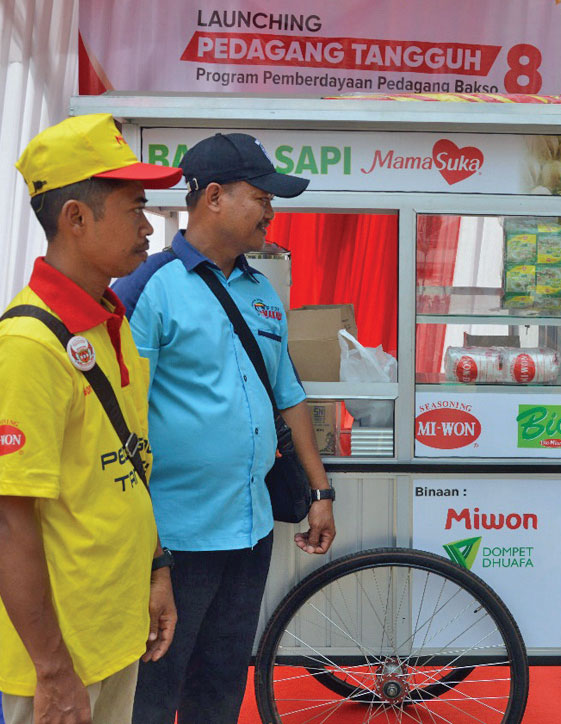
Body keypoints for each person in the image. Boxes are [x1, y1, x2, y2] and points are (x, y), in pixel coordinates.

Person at [113, 132, 336, 724]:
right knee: (152, 691)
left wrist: (320, 489)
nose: (271, 212)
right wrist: (149, 550)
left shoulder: (262, 293)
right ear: (213, 196)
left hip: (251, 529)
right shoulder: (147, 287)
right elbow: (119, 419)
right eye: (261, 197)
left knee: (219, 688)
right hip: (175, 537)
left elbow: (288, 394)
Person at [0, 113, 181, 724]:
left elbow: (127, 469)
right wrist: (52, 670)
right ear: (76, 218)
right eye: (135, 209)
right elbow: (9, 521)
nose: (148, 227)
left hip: (113, 633)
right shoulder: (29, 345)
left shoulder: (110, 321)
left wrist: (156, 570)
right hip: (56, 660)